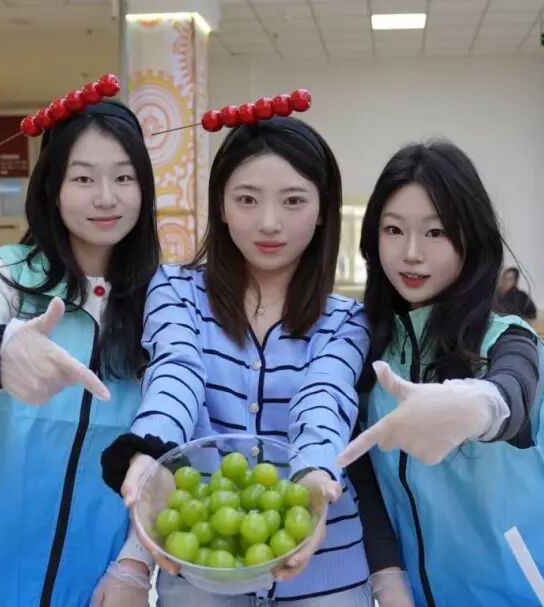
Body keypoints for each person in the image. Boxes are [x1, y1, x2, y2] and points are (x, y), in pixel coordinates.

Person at [102, 116, 411, 606]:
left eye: (293, 201)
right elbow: (176, 373)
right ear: (221, 206)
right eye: (247, 199)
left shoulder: (346, 320)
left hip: (325, 570)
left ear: (322, 211)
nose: (269, 222)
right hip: (203, 567)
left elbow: (325, 398)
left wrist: (314, 479)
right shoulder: (175, 291)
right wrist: (149, 450)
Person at [336, 141, 544, 606]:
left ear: (472, 239)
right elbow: (363, 474)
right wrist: (386, 573)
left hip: (535, 592)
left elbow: (513, 390)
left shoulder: (505, 338)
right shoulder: (369, 349)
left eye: (436, 232)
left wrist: (482, 405)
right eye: (393, 229)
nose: (411, 253)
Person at [0, 99, 160, 607]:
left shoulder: (163, 297)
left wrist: (135, 562)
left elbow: (171, 446)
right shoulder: (3, 276)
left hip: (101, 573)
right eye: (83, 178)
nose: (106, 197)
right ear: (51, 186)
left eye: (124, 177)